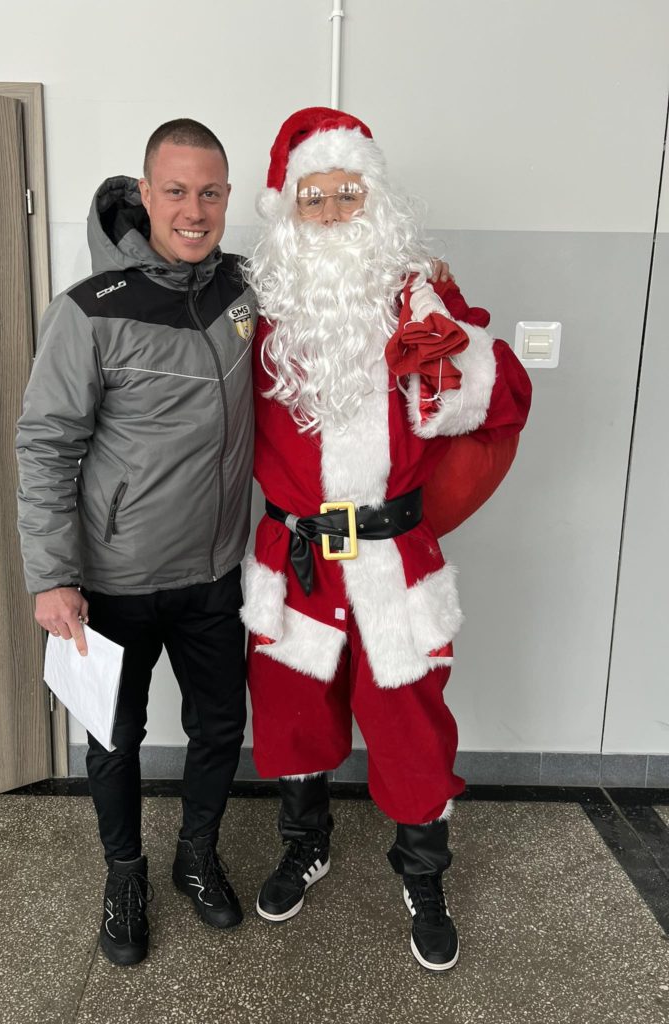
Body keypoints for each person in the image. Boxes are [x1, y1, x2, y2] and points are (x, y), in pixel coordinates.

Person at [241, 107, 532, 971]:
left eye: (348, 193)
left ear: (375, 201)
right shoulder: (259, 308)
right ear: (288, 211)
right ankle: (306, 843)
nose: (332, 212)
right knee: (292, 712)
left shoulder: (418, 296)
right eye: (314, 196)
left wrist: (445, 339)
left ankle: (424, 874)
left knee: (410, 725)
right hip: (295, 556)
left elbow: (495, 397)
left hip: (391, 558)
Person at [15, 119, 258, 966]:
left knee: (220, 724)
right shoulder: (88, 310)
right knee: (113, 737)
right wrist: (52, 576)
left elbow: (335, 298)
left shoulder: (244, 288)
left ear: (227, 197)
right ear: (145, 193)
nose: (195, 210)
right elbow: (46, 445)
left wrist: (420, 281)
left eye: (211, 193)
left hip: (216, 571)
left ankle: (196, 855)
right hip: (116, 579)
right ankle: (125, 875)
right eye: (177, 191)